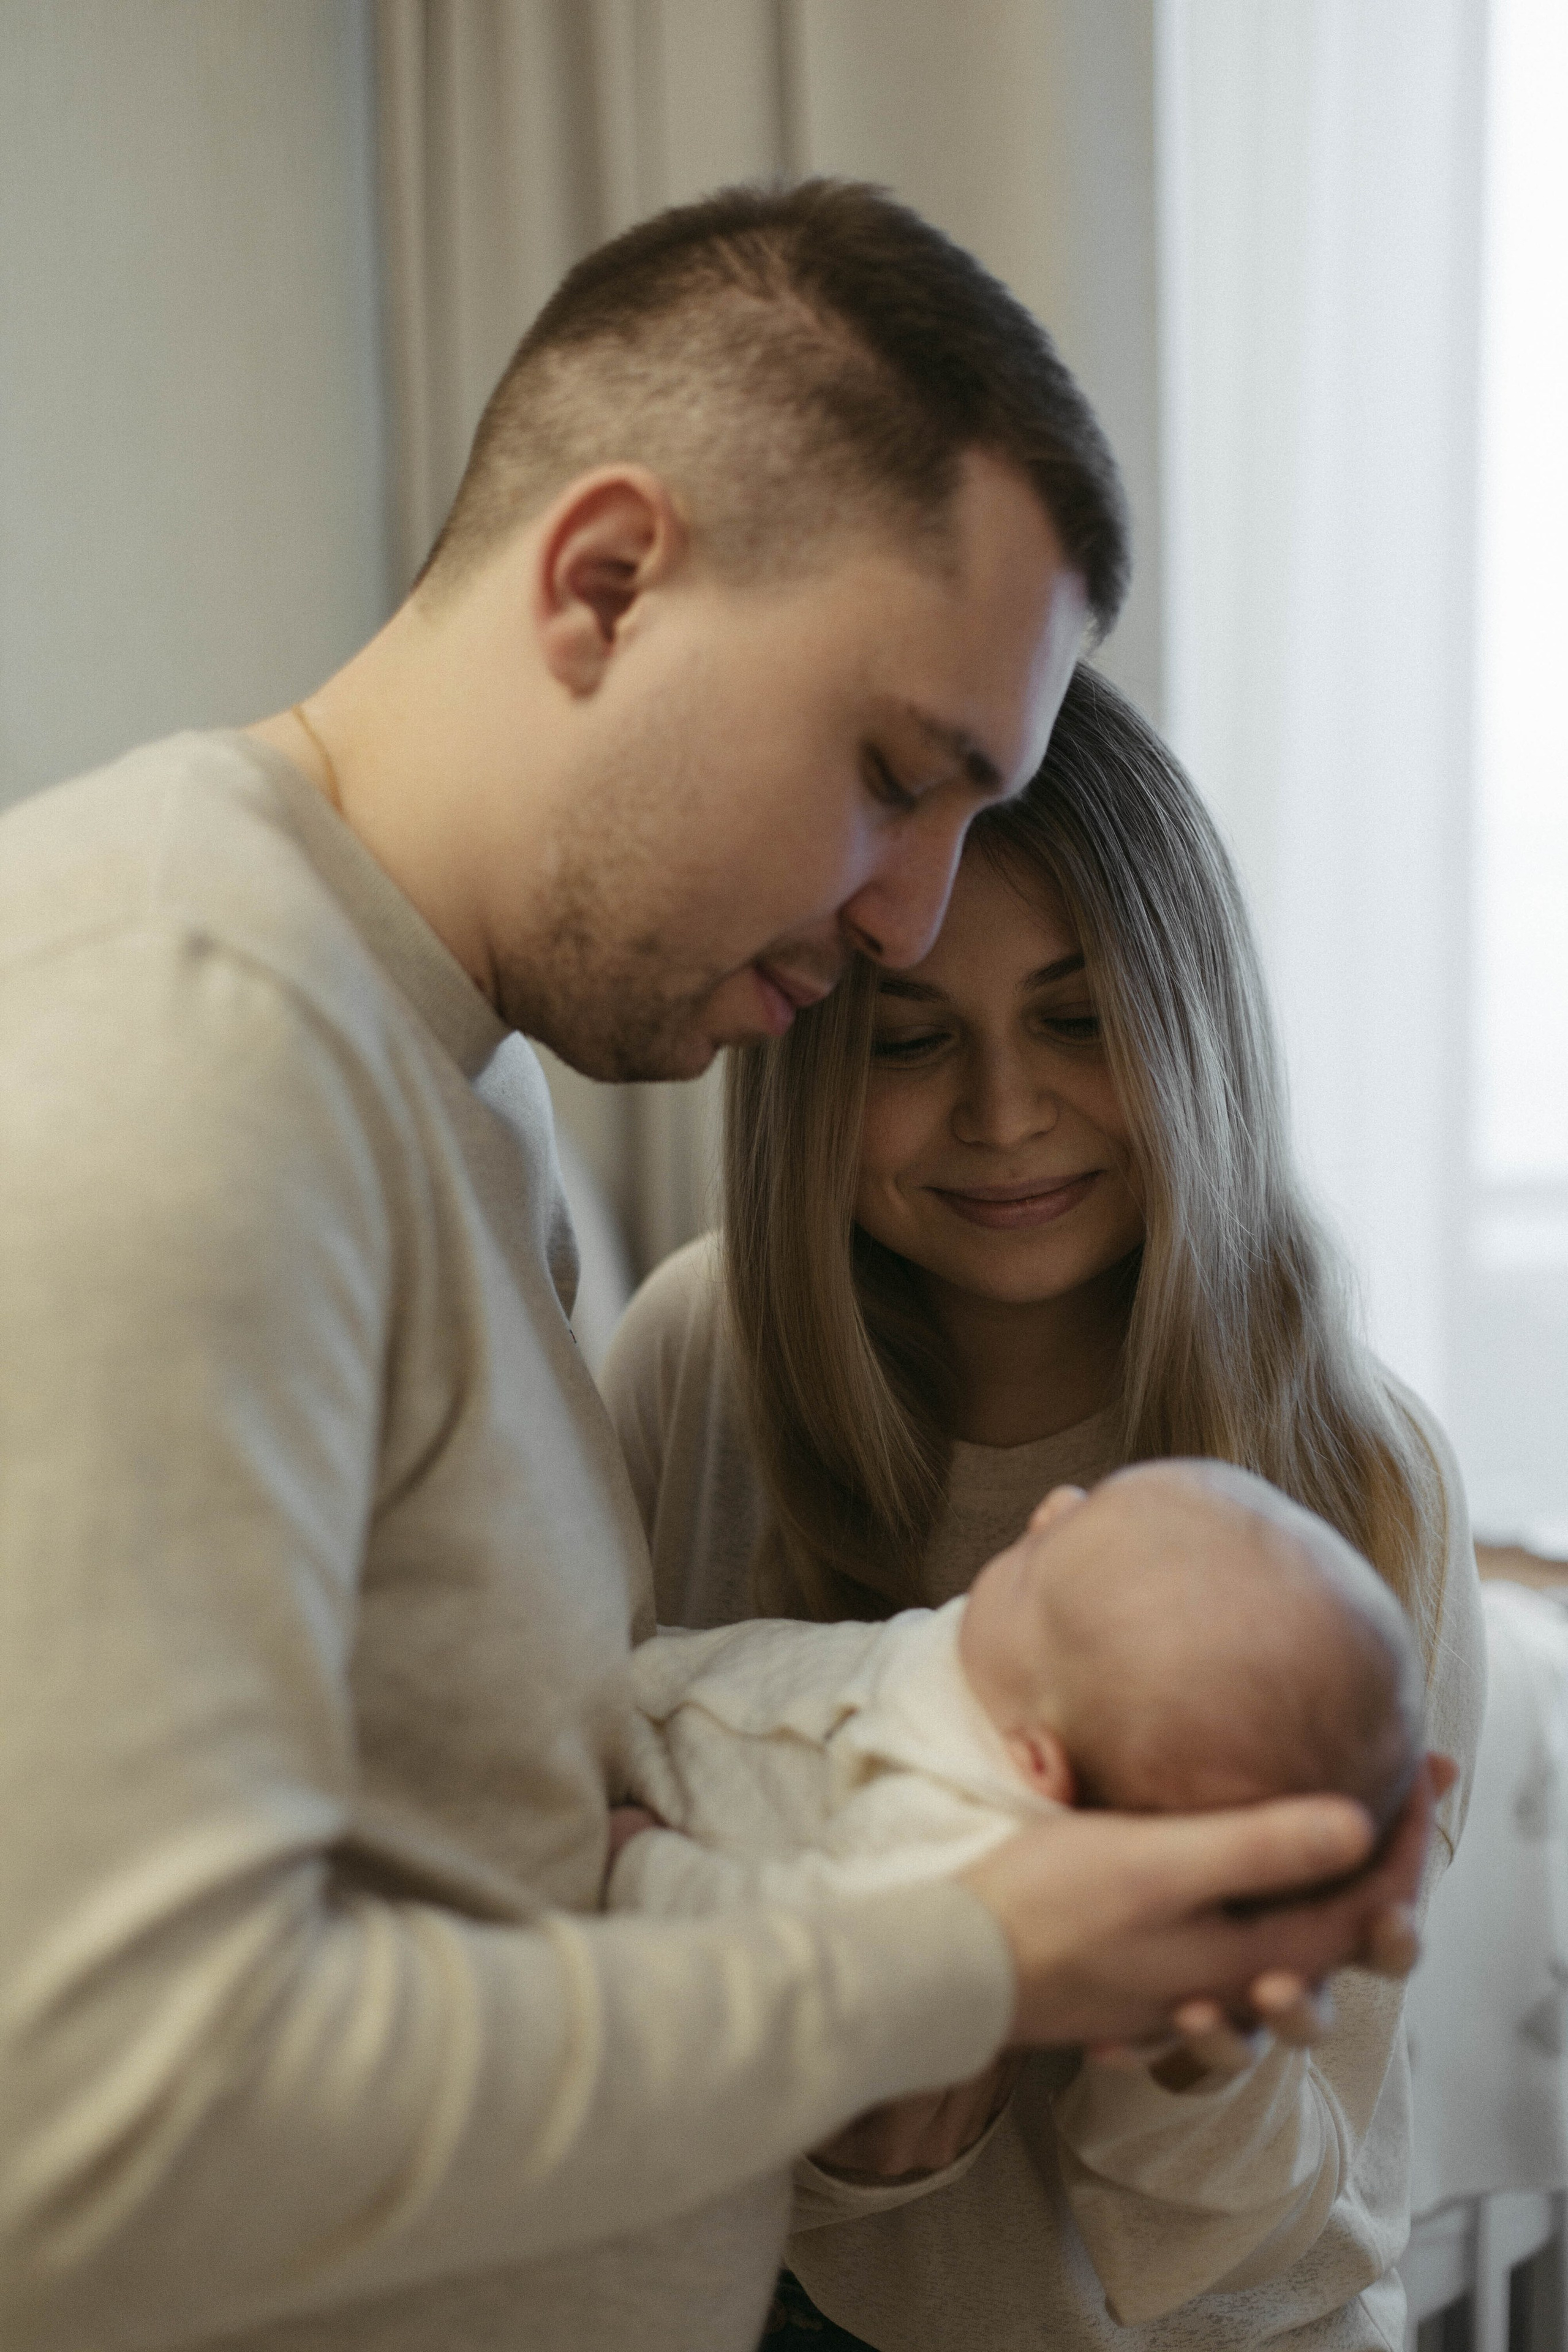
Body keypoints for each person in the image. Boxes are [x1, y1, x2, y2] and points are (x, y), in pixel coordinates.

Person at [0, 184, 1434, 2352]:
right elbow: (101, 2116)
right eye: (889, 779)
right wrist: (982, 1958)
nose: (900, 921)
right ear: (605, 582)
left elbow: (506, 1856)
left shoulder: (456, 1090)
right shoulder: (179, 1039)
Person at [603, 662, 1485, 2349]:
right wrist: (859, 2142)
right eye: (915, 1040)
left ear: (1191, 1023)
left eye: (1081, 1021)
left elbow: (1267, 2247)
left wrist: (1175, 2038)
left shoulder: (1357, 1478)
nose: (1005, 1114)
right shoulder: (696, 1361)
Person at [608, 1461, 1425, 1924]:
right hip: (623, 1683)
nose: (1051, 1508)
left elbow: (790, 1932)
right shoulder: (1016, 1679)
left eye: (1038, 1569)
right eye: (1088, 1507)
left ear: (1035, 1762)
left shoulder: (952, 1825)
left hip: (605, 1804)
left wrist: (633, 1869)